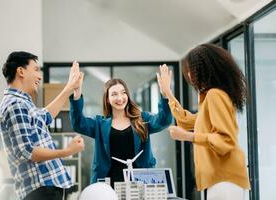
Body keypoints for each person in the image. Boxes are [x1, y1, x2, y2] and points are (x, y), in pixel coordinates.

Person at [157, 44, 250, 200]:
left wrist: (189, 137)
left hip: (225, 178)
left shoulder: (215, 95)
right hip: (219, 179)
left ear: (203, 70)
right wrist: (168, 94)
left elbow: (226, 140)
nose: (188, 74)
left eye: (191, 69)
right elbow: (187, 121)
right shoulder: (209, 97)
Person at [0, 51, 85, 200]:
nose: (39, 76)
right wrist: (67, 151)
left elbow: (45, 116)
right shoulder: (15, 104)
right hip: (41, 190)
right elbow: (27, 150)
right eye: (36, 70)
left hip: (45, 189)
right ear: (21, 71)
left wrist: (69, 87)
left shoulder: (23, 103)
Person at [69, 75, 172, 187]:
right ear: (107, 99)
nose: (120, 98)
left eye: (123, 93)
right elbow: (78, 123)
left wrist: (165, 94)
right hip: (108, 184)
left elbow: (164, 120)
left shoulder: (142, 120)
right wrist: (77, 94)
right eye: (114, 94)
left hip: (140, 183)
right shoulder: (99, 124)